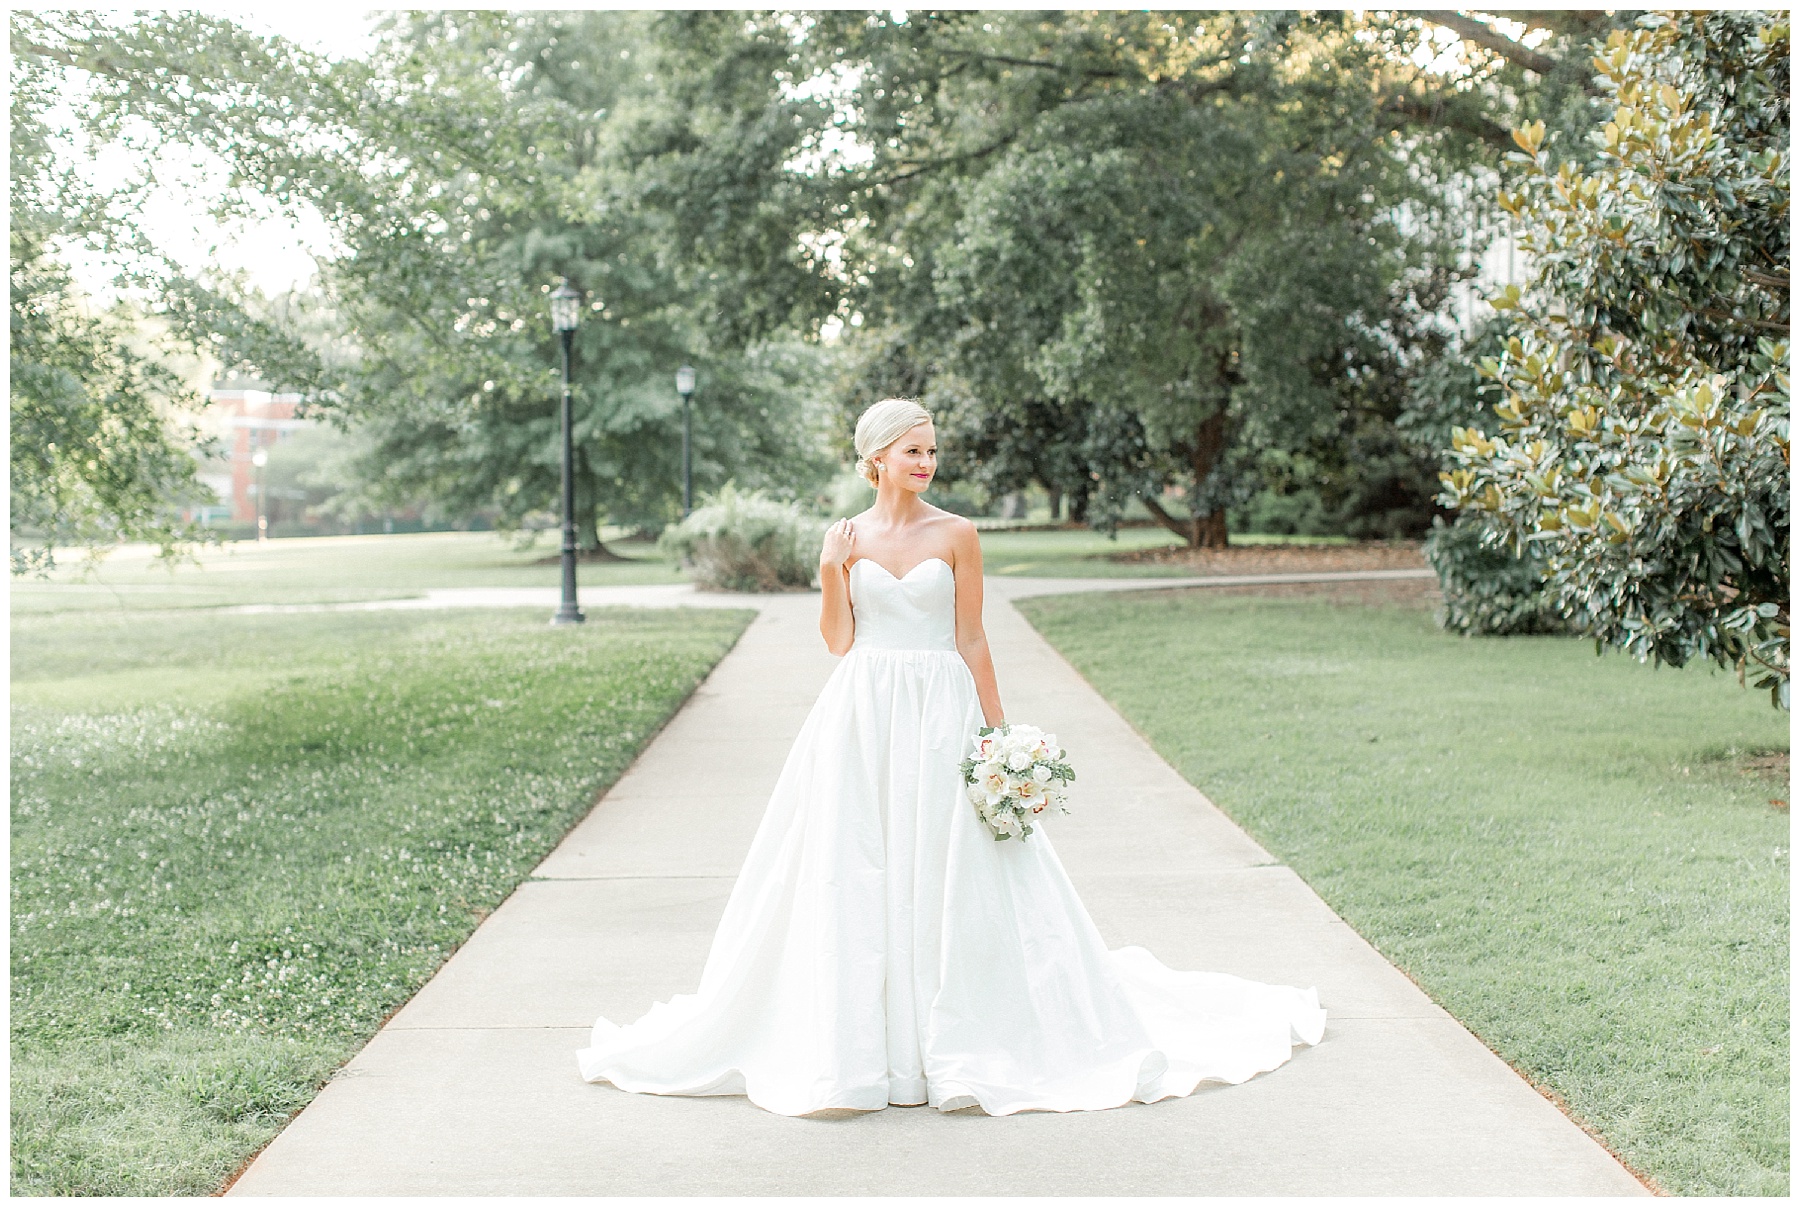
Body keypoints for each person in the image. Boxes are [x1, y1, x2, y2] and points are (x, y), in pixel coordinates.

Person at [576, 397, 1325, 1116]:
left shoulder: (958, 533)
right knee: (860, 862)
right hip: (864, 713)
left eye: (933, 450)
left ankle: (959, 1039)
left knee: (949, 860)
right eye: (914, 450)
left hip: (943, 712)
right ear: (877, 458)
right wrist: (830, 566)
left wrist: (1002, 738)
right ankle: (866, 1051)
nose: (928, 461)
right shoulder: (847, 538)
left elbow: (971, 638)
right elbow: (838, 641)